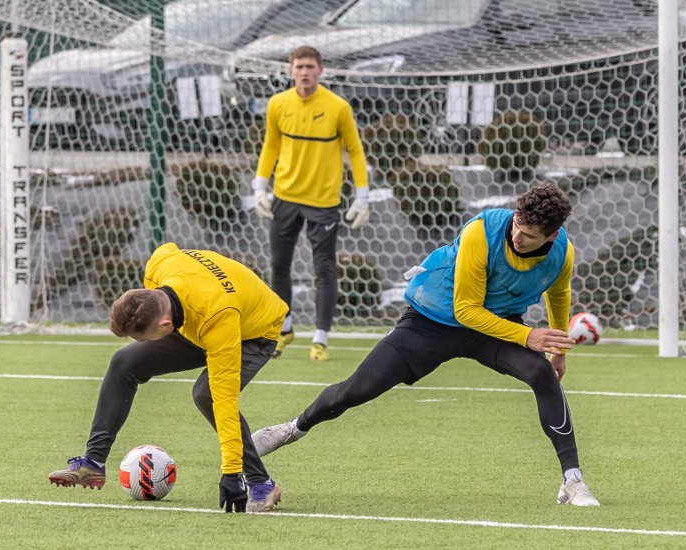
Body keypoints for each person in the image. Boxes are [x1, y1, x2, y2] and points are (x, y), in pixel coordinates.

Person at [252, 181, 601, 506]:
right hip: (433, 320)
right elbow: (466, 310)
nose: (518, 236)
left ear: (552, 235)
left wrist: (556, 348)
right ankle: (291, 429)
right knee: (356, 390)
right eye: (516, 227)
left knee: (541, 374)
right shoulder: (483, 232)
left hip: (494, 327)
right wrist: (528, 335)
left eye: (528, 235)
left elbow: (558, 290)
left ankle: (573, 481)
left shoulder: (562, 253)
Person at [49, 242, 289, 513]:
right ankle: (93, 463)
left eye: (141, 336)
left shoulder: (219, 318)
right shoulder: (159, 265)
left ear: (164, 326)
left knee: (207, 395)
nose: (140, 342)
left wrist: (231, 472)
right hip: (197, 315)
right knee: (124, 361)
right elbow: (168, 248)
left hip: (252, 332)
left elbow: (225, 401)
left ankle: (261, 483)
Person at [252, 45, 370, 362]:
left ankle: (320, 339)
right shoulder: (278, 104)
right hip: (285, 197)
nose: (304, 72)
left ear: (321, 71)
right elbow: (271, 145)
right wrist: (260, 186)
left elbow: (355, 151)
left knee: (324, 268)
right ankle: (285, 328)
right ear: (290, 71)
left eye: (310, 67)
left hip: (323, 201)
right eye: (299, 66)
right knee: (278, 265)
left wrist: (362, 195)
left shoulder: (338, 107)